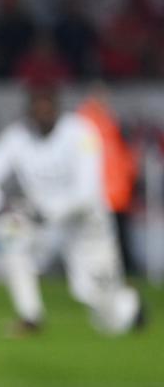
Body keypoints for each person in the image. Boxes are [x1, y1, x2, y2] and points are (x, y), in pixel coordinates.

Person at [0, 83, 145, 336]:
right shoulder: (17, 137)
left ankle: (130, 305)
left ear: (57, 109)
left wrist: (45, 212)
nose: (42, 114)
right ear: (28, 111)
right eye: (36, 108)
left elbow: (87, 194)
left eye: (47, 108)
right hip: (43, 224)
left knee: (100, 306)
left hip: (85, 225)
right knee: (10, 233)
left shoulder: (81, 133)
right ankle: (30, 317)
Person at [78, 89, 139, 277]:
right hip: (103, 191)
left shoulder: (107, 123)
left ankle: (117, 270)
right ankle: (108, 270)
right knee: (105, 236)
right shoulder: (88, 124)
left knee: (116, 235)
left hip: (115, 191)